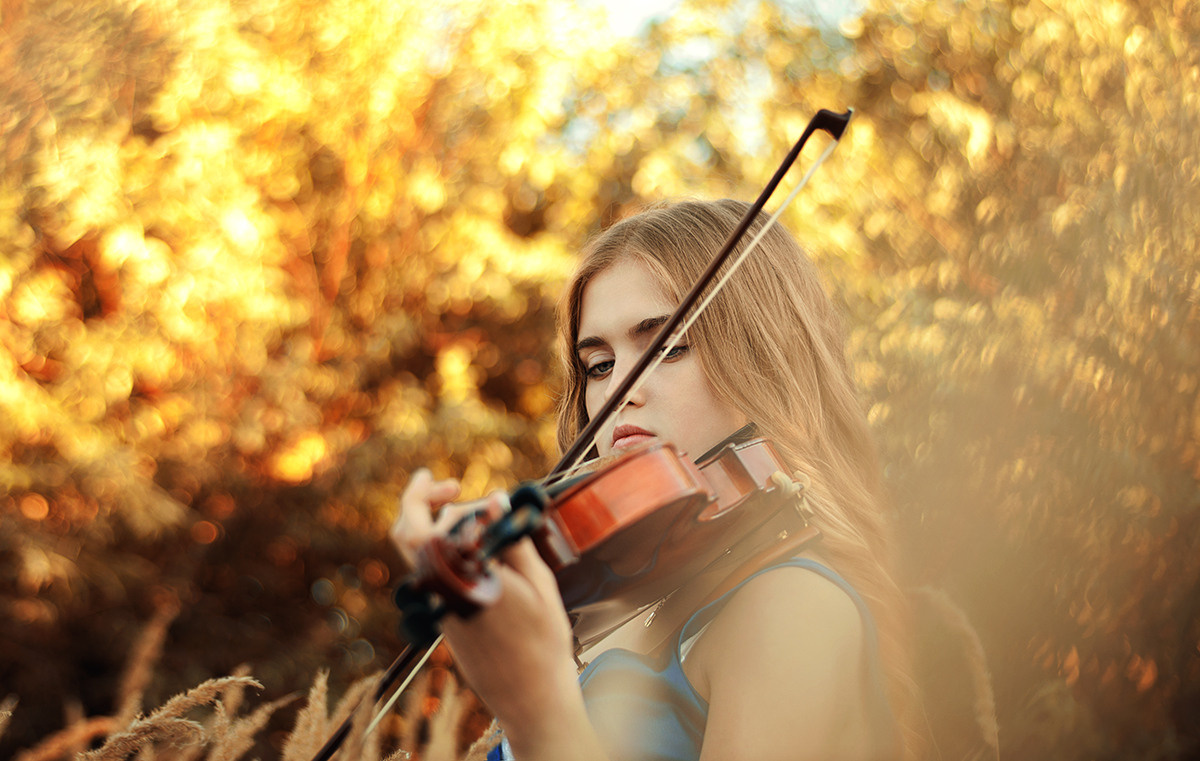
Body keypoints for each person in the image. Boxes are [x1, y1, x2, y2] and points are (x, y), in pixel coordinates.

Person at [390, 199, 923, 761]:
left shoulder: (796, 606)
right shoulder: (617, 614)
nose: (623, 390)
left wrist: (535, 710)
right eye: (598, 365)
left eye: (667, 347)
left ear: (766, 360)